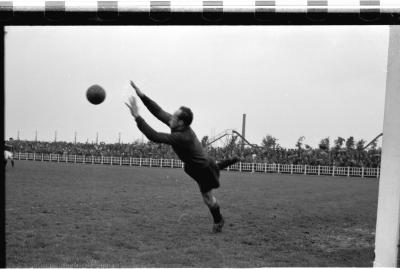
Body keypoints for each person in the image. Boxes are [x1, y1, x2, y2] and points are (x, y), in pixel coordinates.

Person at [125, 81, 239, 233]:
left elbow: (155, 136)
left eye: (174, 117)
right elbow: (158, 112)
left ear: (181, 122)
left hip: (203, 168)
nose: (170, 117)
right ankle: (226, 163)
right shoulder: (177, 124)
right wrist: (142, 96)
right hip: (197, 165)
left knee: (208, 198)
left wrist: (137, 116)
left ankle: (219, 220)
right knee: (212, 174)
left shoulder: (183, 137)